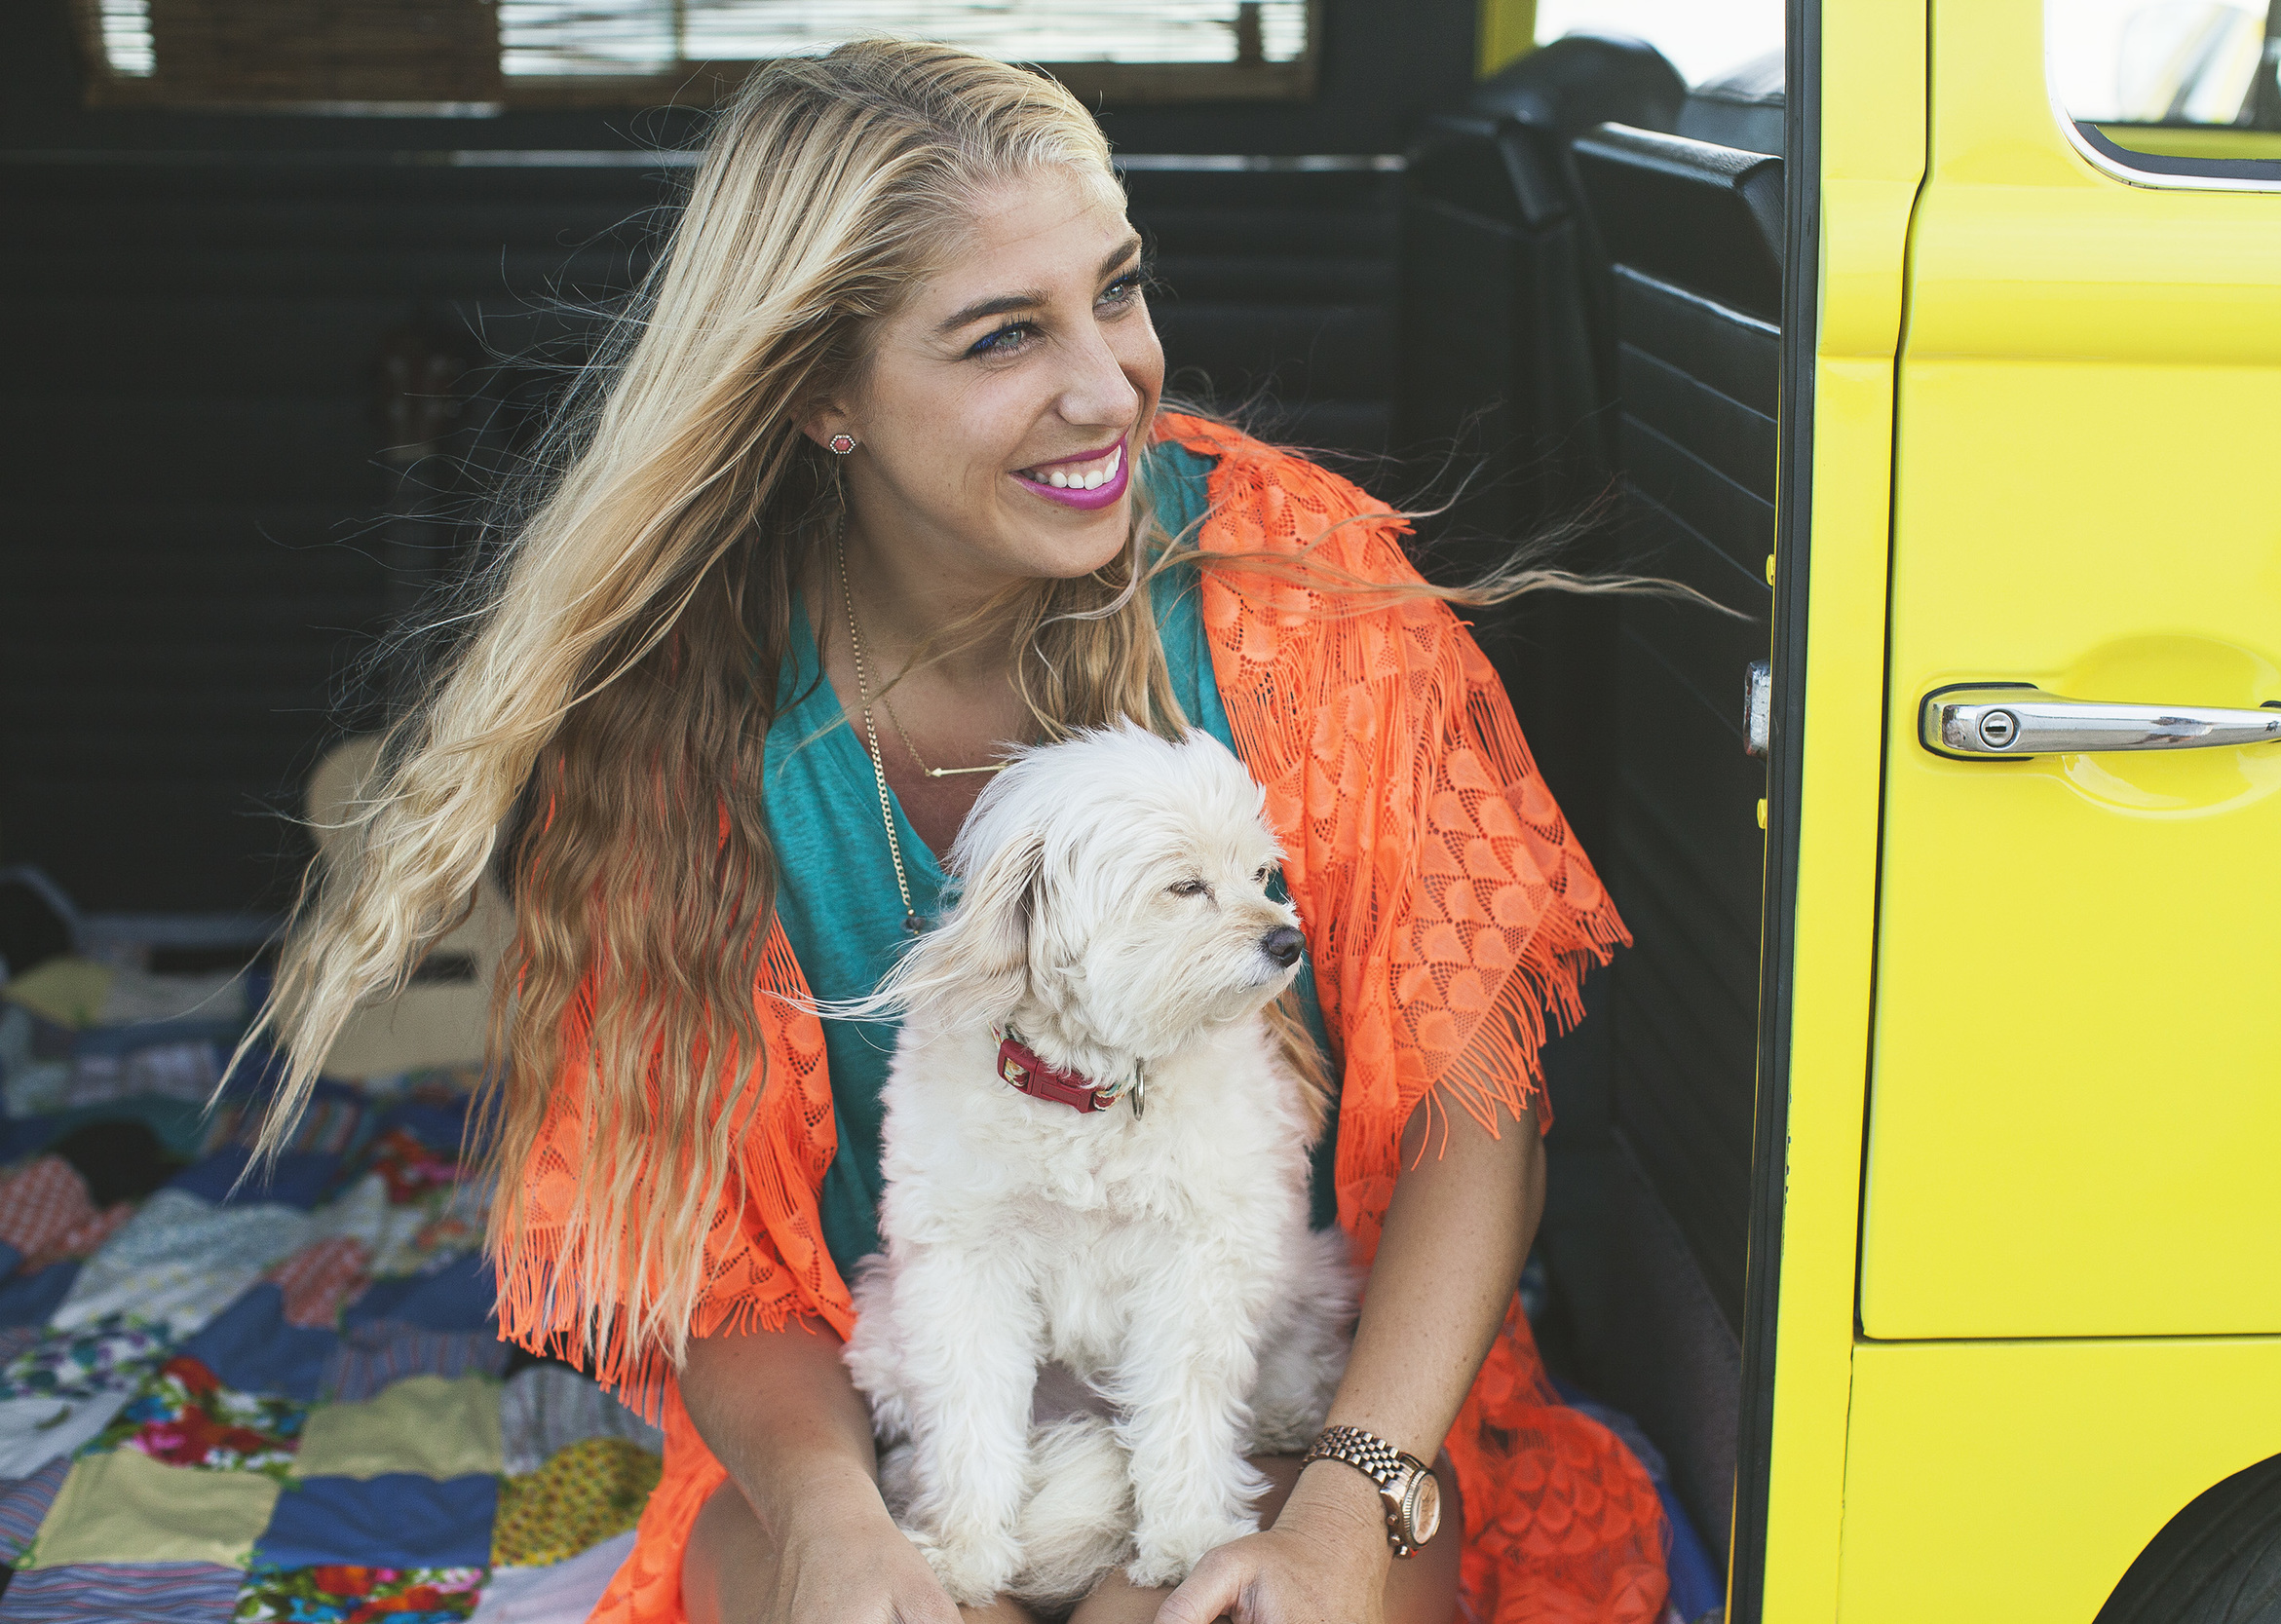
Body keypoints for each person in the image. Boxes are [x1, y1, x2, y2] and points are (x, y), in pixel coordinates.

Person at [259, 40, 1670, 1624]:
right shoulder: (682, 711)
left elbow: (1479, 1108)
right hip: (899, 1430)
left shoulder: (1288, 591)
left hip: (1300, 1407)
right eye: (1005, 336)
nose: (1108, 385)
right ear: (823, 396)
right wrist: (831, 1524)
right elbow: (708, 1245)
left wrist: (1352, 1504)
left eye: (1117, 292)